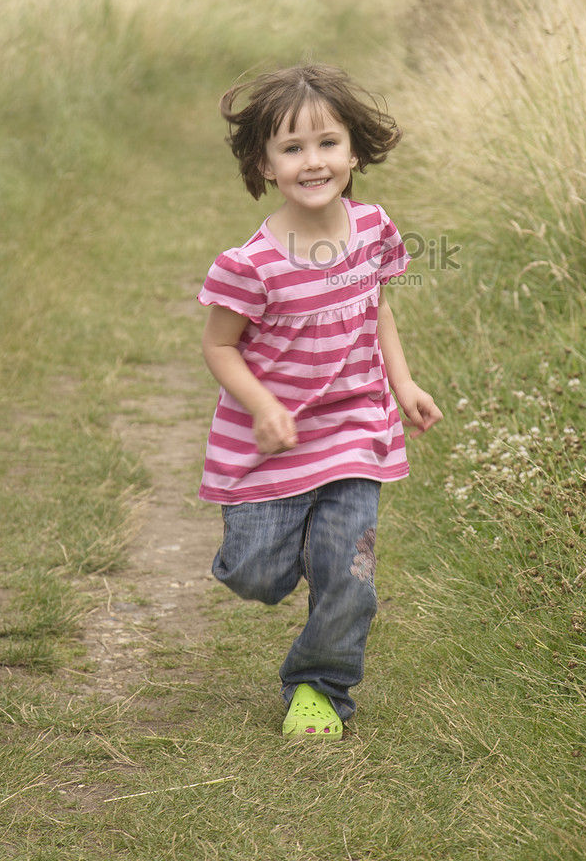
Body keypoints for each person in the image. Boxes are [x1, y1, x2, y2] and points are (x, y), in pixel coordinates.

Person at [198, 63, 442, 740]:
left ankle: (319, 686)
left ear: (354, 151)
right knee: (255, 575)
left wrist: (404, 383)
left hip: (355, 430)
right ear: (265, 164)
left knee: (351, 576)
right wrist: (263, 405)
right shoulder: (249, 265)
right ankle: (287, 548)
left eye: (327, 143)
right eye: (293, 147)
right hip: (271, 442)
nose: (313, 161)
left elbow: (377, 309)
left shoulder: (372, 228)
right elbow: (219, 349)